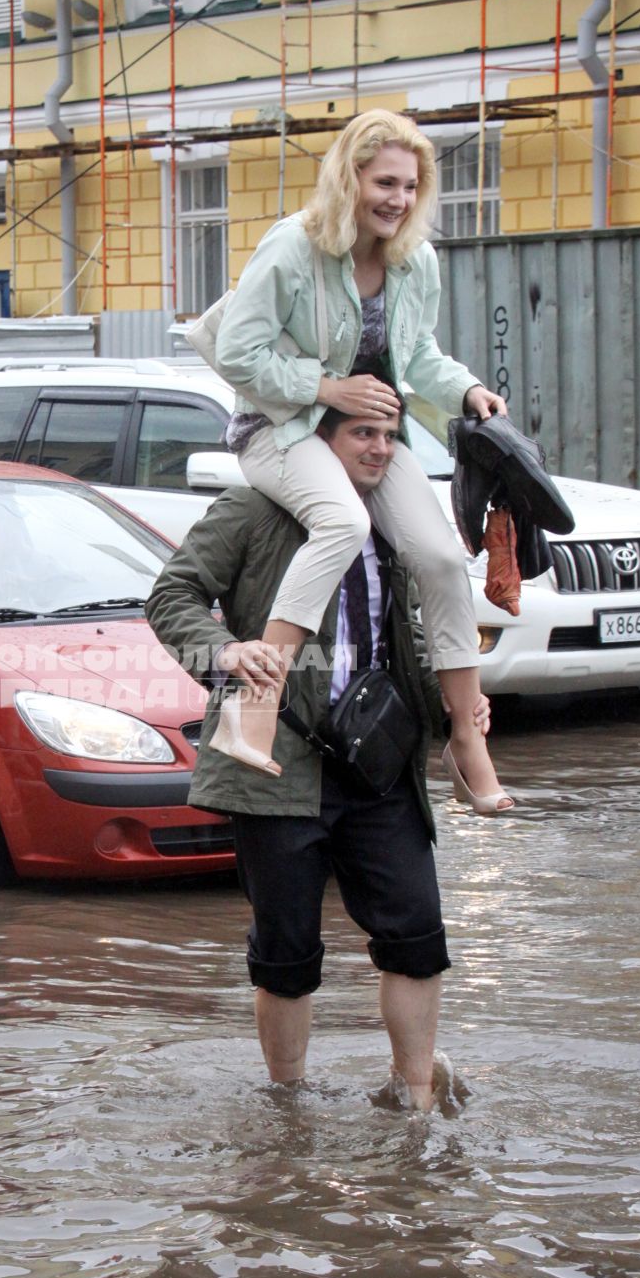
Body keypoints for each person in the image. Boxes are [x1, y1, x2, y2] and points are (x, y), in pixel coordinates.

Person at [146, 395, 461, 1110]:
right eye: (363, 433)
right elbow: (171, 594)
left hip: (380, 766)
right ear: (317, 444)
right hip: (276, 766)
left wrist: (454, 708)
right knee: (286, 955)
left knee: (416, 933)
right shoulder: (253, 509)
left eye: (391, 436)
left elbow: (405, 635)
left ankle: (413, 1103)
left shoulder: (393, 521)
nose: (381, 449)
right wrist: (226, 651)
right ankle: (286, 1107)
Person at [201, 108, 511, 814]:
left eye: (409, 186)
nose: (398, 200)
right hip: (278, 425)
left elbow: (419, 355)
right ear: (350, 177)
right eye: (384, 182)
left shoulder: (415, 260)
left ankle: (467, 737)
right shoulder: (293, 247)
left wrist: (465, 390)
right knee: (341, 522)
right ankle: (256, 702)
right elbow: (237, 355)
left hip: (370, 431)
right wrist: (324, 386)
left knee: (437, 555)